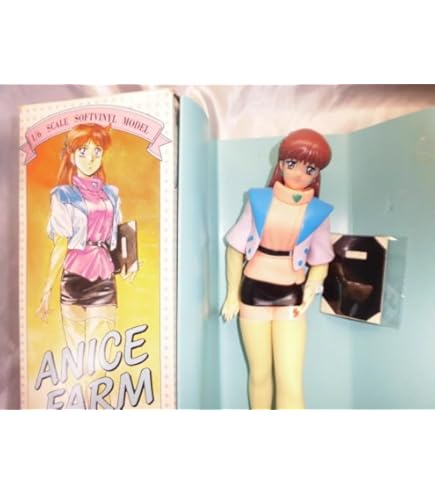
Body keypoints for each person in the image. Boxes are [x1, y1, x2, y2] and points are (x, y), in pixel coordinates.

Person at [222, 128, 334, 409]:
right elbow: (235, 249)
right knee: (259, 375)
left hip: (292, 294)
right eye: (292, 163)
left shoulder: (318, 212)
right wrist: (232, 295)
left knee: (290, 380)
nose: (299, 174)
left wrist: (312, 287)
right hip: (254, 291)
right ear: (281, 164)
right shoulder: (258, 200)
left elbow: (321, 262)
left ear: (316, 174)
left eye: (309, 169)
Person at [36, 123, 136, 378]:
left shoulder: (111, 195)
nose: (90, 158)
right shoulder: (63, 196)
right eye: (83, 151)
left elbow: (119, 234)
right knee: (78, 360)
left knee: (99, 359)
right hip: (73, 279)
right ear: (71, 156)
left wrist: (130, 262)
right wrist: (47, 289)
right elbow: (61, 244)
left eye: (96, 151)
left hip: (103, 278)